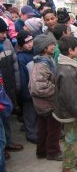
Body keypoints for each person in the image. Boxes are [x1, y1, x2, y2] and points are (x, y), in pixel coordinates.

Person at [53, 36, 77, 172]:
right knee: (71, 139)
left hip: (70, 110)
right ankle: (68, 167)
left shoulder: (70, 63)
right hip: (69, 112)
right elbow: (72, 98)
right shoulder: (67, 71)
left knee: (74, 138)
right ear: (70, 50)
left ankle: (73, 160)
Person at [29, 34, 62, 160]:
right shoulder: (41, 65)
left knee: (43, 128)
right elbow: (38, 87)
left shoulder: (47, 60)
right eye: (51, 44)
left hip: (43, 104)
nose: (54, 46)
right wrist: (56, 89)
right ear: (43, 48)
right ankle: (53, 152)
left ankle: (42, 151)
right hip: (47, 103)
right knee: (54, 129)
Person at [0, 18, 23, 159]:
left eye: (4, 32)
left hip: (7, 87)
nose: (3, 35)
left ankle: (8, 142)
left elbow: (14, 65)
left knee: (6, 117)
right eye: (1, 32)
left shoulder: (7, 43)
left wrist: (16, 84)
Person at [16, 31, 37, 144]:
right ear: (21, 44)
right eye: (26, 42)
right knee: (29, 114)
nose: (30, 44)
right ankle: (31, 134)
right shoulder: (21, 58)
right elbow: (22, 79)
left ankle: (36, 131)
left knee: (36, 113)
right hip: (27, 92)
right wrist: (25, 94)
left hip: (36, 89)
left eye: (31, 41)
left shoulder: (35, 53)